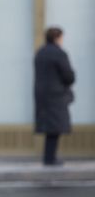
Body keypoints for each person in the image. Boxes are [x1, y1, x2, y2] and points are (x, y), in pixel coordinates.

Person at [34, 27, 75, 166]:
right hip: (57, 95)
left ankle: (49, 158)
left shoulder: (40, 53)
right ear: (57, 38)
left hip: (42, 95)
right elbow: (69, 76)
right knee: (55, 128)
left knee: (50, 128)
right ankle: (50, 159)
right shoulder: (59, 54)